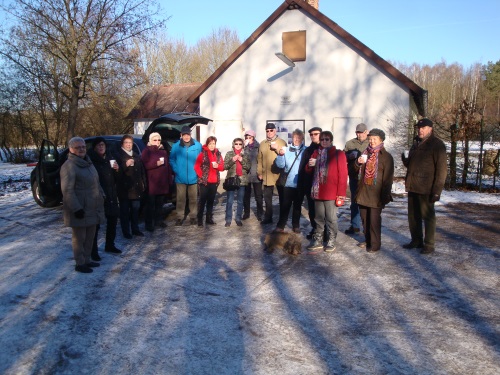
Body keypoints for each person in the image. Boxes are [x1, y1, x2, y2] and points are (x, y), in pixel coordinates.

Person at [402, 118, 447, 254]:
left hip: (427, 187)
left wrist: (437, 190)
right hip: (413, 185)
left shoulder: (437, 145)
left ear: (430, 129)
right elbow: (412, 164)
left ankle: (429, 244)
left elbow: (442, 170)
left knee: (428, 216)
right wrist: (405, 160)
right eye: (419, 128)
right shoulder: (416, 142)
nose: (420, 130)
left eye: (423, 128)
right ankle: (416, 240)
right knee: (413, 216)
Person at [60, 137, 105, 273]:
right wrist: (76, 208)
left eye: (83, 147)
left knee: (90, 236)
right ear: (71, 149)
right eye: (78, 147)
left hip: (92, 207)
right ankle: (79, 263)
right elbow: (67, 190)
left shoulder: (88, 163)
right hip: (80, 208)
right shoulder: (69, 166)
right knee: (79, 238)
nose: (81, 149)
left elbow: (96, 183)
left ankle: (87, 260)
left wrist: (103, 196)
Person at [305, 131, 348, 252]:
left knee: (331, 218)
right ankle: (318, 239)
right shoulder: (316, 153)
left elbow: (343, 175)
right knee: (318, 218)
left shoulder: (338, 154)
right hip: (318, 192)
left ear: (331, 140)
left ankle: (331, 240)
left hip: (331, 193)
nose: (324, 141)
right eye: (322, 139)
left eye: (327, 139)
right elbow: (308, 171)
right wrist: (310, 165)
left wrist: (341, 194)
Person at [354, 129, 394, 253]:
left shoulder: (386, 157)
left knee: (374, 220)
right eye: (370, 139)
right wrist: (357, 163)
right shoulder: (365, 153)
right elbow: (355, 171)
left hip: (376, 194)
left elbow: (388, 179)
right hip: (363, 192)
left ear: (381, 140)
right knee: (365, 218)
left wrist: (384, 195)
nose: (371, 141)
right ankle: (368, 240)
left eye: (374, 139)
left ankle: (375, 244)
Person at [88, 137, 122, 260]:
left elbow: (116, 178)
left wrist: (117, 170)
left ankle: (110, 244)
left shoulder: (109, 158)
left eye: (102, 145)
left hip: (111, 194)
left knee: (112, 221)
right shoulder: (91, 161)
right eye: (98, 145)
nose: (101, 147)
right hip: (98, 196)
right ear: (94, 147)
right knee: (96, 225)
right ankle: (93, 251)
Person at [274, 129, 306, 233]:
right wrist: (280, 155)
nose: (296, 139)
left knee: (297, 206)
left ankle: (296, 225)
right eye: (295, 137)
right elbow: (280, 165)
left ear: (302, 138)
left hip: (301, 183)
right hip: (288, 183)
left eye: (299, 137)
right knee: (285, 205)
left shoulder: (306, 150)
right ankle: (281, 225)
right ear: (292, 138)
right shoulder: (286, 150)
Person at [170, 126, 202, 226]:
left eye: (188, 134)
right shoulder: (176, 146)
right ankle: (179, 217)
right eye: (184, 135)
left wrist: (198, 172)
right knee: (180, 199)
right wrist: (176, 170)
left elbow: (201, 160)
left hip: (193, 177)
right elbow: (171, 159)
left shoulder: (197, 145)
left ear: (190, 134)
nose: (186, 137)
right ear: (181, 135)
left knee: (193, 198)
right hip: (180, 177)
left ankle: (193, 216)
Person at [115, 135, 147, 239]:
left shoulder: (136, 155)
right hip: (125, 189)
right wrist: (125, 165)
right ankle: (126, 231)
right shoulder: (118, 155)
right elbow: (116, 174)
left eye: (130, 143)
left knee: (135, 210)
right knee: (125, 212)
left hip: (136, 188)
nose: (128, 145)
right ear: (122, 144)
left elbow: (142, 171)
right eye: (126, 143)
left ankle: (135, 229)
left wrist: (143, 183)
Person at [141, 132, 172, 232]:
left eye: (159, 140)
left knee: (160, 204)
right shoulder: (147, 151)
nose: (157, 142)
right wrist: (156, 163)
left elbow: (167, 167)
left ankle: (158, 220)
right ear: (150, 141)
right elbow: (144, 165)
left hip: (162, 183)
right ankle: (149, 223)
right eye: (155, 140)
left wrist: (169, 180)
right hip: (152, 183)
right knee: (150, 205)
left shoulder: (163, 151)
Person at [258, 122, 287, 225]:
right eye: (267, 131)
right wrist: (259, 172)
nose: (269, 132)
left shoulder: (282, 142)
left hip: (280, 174)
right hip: (267, 174)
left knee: (282, 197)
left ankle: (282, 219)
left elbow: (286, 156)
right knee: (267, 198)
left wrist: (277, 148)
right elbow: (260, 159)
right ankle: (268, 217)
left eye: (271, 130)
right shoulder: (262, 143)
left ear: (275, 131)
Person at [344, 123, 369, 235]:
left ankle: (366, 227)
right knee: (354, 201)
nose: (360, 135)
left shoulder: (371, 142)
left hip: (367, 176)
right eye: (358, 132)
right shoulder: (350, 143)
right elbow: (343, 157)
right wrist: (349, 156)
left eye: (362, 132)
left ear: (366, 132)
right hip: (354, 175)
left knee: (365, 202)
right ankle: (355, 226)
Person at [297, 126, 322, 239]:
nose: (313, 136)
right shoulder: (307, 150)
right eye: (311, 134)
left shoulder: (325, 148)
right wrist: (301, 184)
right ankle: (315, 229)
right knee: (312, 210)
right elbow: (302, 167)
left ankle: (323, 231)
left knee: (322, 211)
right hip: (309, 184)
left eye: (316, 134)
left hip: (322, 185)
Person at [194, 136, 224, 226]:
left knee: (211, 201)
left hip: (214, 181)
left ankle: (209, 218)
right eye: (210, 143)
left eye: (213, 143)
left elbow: (222, 167)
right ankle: (199, 219)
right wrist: (201, 175)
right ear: (207, 144)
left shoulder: (218, 154)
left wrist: (217, 166)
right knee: (202, 200)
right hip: (204, 181)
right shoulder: (202, 153)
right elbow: (196, 166)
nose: (212, 145)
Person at [224, 138, 250, 227]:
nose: (238, 145)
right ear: (233, 144)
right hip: (231, 180)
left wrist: (242, 160)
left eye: (240, 144)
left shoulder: (245, 154)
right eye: (236, 144)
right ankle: (228, 219)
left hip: (242, 180)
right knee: (230, 201)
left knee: (240, 201)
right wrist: (232, 160)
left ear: (242, 145)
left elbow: (248, 167)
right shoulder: (229, 154)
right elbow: (225, 166)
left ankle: (238, 218)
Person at [242, 129, 264, 221]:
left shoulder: (258, 147)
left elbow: (261, 160)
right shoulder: (243, 147)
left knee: (258, 196)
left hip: (256, 174)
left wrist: (261, 172)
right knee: (246, 195)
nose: (248, 139)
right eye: (246, 137)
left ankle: (260, 213)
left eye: (250, 137)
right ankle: (246, 213)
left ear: (253, 138)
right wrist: (243, 147)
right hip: (246, 175)